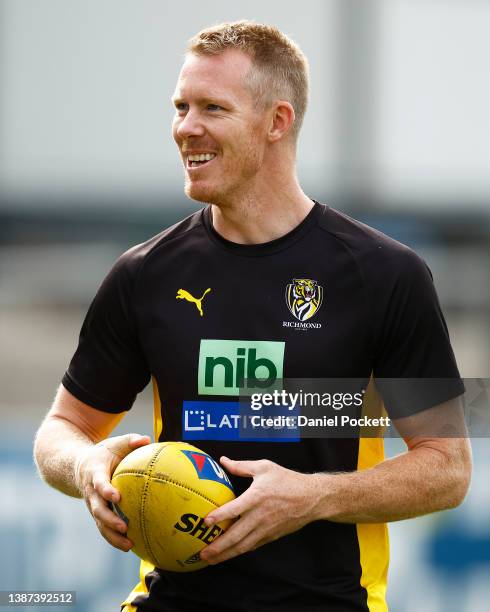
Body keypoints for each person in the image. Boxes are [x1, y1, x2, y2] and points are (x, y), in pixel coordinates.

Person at [34, 20, 472, 612]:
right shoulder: (145, 274)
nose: (187, 128)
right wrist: (85, 465)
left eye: (213, 108)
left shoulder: (384, 274)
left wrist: (312, 496)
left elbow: (447, 469)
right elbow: (62, 430)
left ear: (277, 121)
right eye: (181, 107)